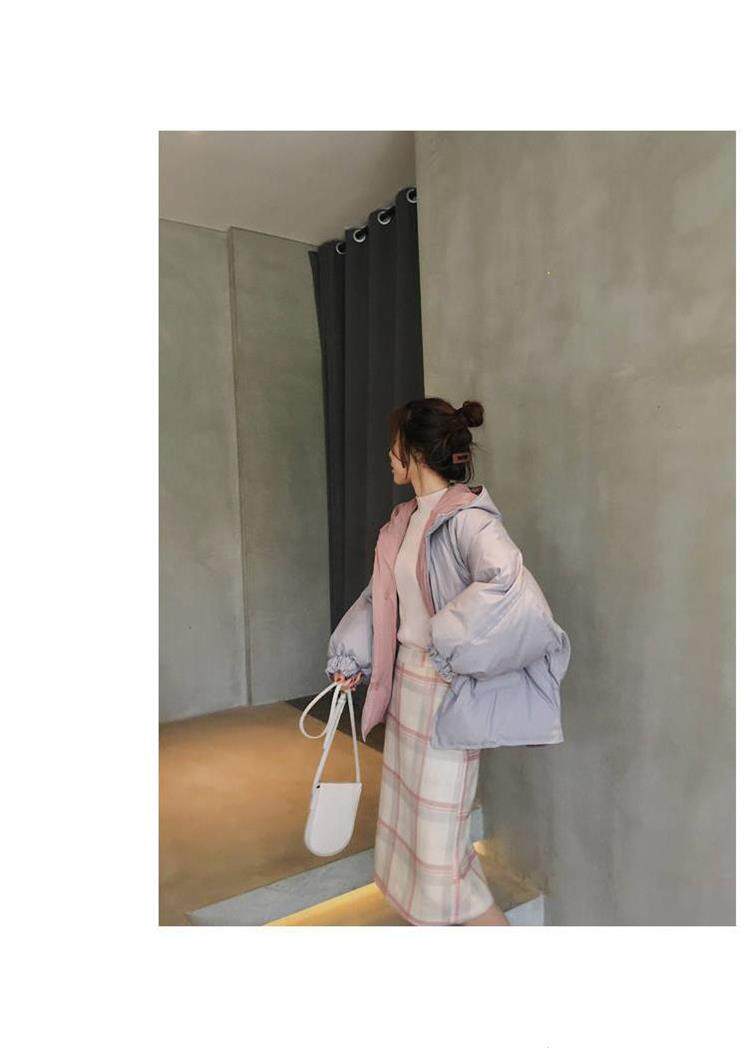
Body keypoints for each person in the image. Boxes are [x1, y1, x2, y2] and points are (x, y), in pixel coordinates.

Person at [326, 397, 570, 926]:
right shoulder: (404, 520)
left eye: (394, 446)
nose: (388, 455)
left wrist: (444, 638)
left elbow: (508, 583)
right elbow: (378, 599)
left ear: (414, 452)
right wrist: (352, 656)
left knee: (442, 861)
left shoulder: (468, 520)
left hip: (447, 694)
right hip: (407, 691)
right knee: (412, 838)